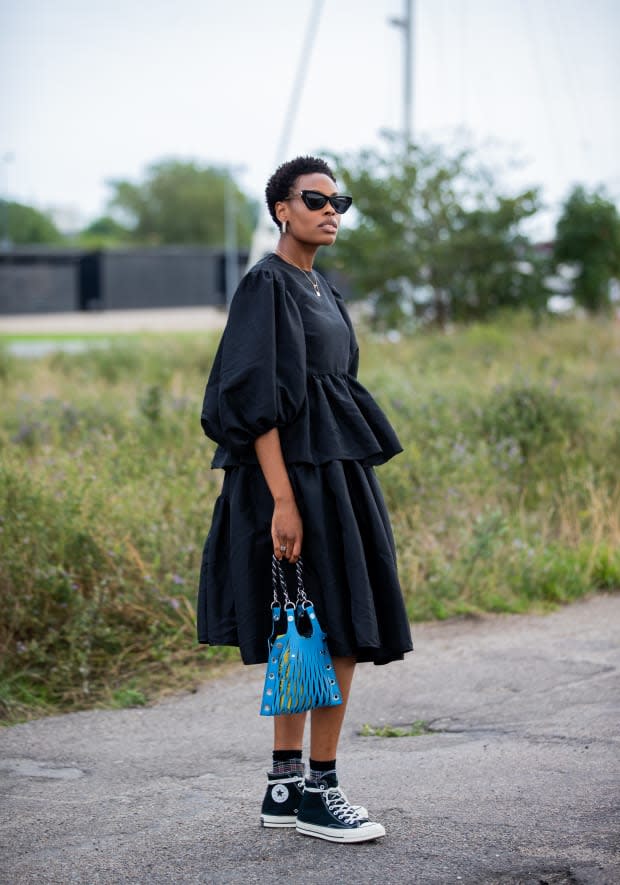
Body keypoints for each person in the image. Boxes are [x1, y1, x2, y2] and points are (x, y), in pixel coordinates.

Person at [197, 155, 413, 843]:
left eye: (339, 200)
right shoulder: (267, 285)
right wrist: (283, 500)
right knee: (336, 627)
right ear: (281, 209)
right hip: (293, 481)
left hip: (334, 475)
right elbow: (255, 402)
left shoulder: (322, 287)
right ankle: (321, 789)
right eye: (314, 198)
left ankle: (284, 783)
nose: (331, 210)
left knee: (310, 626)